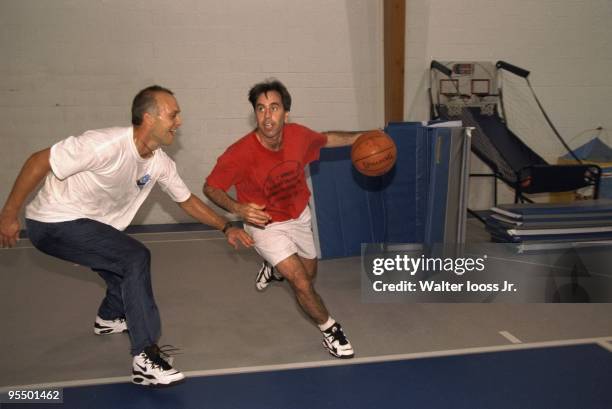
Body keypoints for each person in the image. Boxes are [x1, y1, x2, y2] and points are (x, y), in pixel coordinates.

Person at [0, 85, 253, 387]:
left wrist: (226, 226)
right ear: (149, 118)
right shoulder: (104, 144)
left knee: (121, 271)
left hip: (89, 226)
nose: (179, 121)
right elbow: (38, 161)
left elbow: (186, 201)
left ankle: (108, 318)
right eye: (173, 114)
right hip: (53, 221)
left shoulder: (159, 162)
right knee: (134, 257)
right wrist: (8, 214)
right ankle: (145, 355)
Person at [204, 79, 369, 359]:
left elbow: (327, 138)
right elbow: (211, 187)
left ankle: (273, 268)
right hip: (265, 224)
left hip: (299, 217)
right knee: (301, 283)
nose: (267, 116)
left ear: (286, 113)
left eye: (274, 108)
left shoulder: (298, 136)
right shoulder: (240, 153)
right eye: (261, 109)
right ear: (255, 114)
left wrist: (365, 136)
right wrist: (238, 208)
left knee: (309, 275)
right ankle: (331, 330)